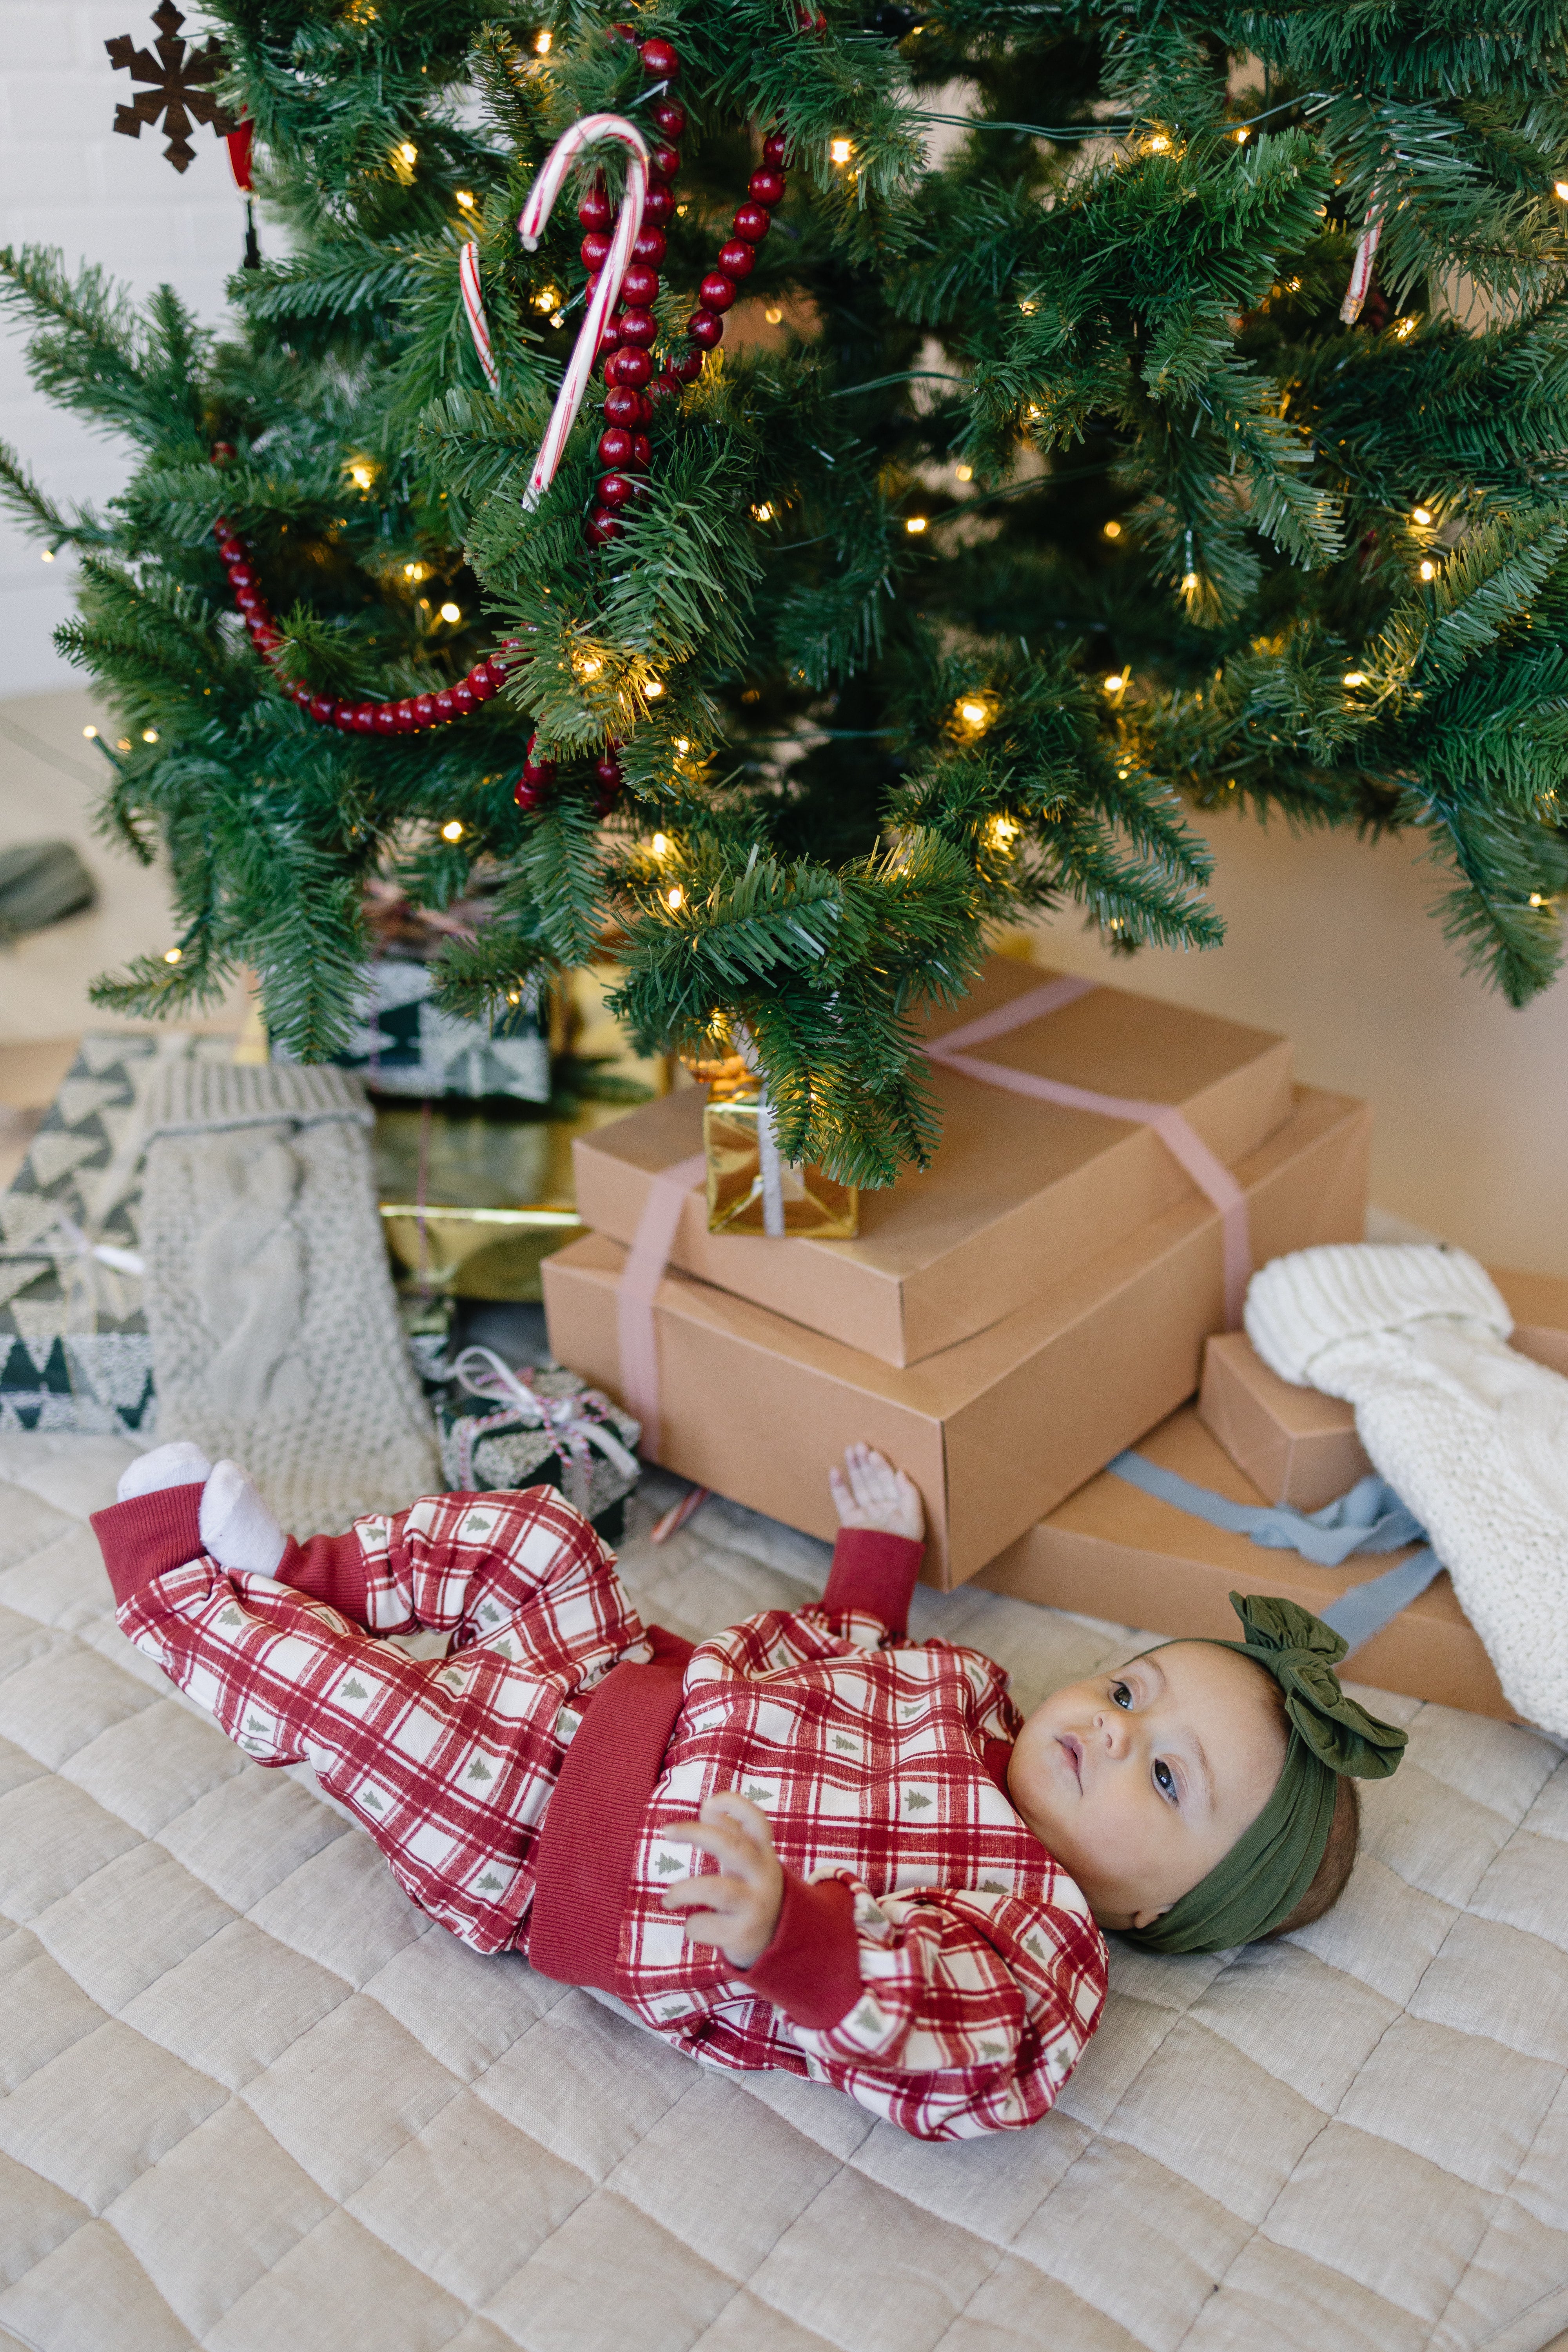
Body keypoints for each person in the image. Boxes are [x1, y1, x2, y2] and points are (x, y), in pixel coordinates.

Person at [90, 1439, 1406, 2141]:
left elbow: (956, 2048)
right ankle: (304, 1576)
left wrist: (797, 1939)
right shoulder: (974, 1699)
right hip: (618, 1684)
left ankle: (177, 1589)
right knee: (539, 1540)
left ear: (1157, 1911)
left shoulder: (1036, 1939)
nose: (1114, 1730)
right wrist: (877, 1560)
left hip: (566, 1848)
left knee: (397, 1728)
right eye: (1128, 1689)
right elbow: (850, 1660)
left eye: (1165, 1775)